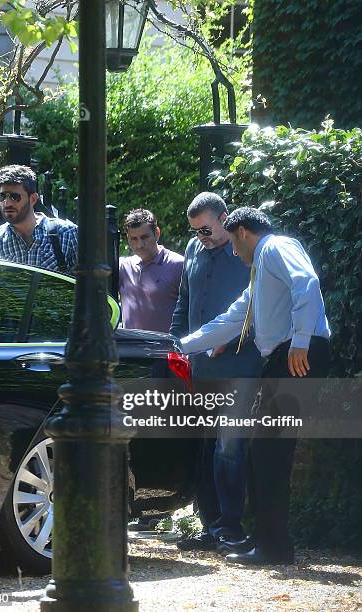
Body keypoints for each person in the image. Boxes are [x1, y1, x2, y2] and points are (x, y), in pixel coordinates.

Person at [180, 207, 331, 565]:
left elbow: (307, 282)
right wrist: (182, 345)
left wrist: (300, 341)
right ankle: (269, 543)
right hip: (285, 355)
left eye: (233, 242)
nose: (233, 251)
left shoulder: (276, 246)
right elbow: (233, 318)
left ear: (243, 232)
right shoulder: (260, 269)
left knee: (269, 454)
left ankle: (274, 548)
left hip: (296, 354)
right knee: (262, 454)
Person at [170, 193, 262, 552]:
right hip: (200, 366)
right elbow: (184, 301)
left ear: (225, 219)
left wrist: (232, 337)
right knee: (207, 444)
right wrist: (175, 344)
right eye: (194, 231)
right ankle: (211, 525)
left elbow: (263, 307)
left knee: (230, 445)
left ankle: (232, 526)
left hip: (238, 364)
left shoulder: (248, 254)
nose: (201, 237)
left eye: (206, 229)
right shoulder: (195, 250)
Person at [0, 165, 77, 274]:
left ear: (33, 199)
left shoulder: (67, 234)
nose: (7, 203)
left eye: (15, 197)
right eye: (2, 196)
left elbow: (89, 283)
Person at [119, 208, 183, 332]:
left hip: (165, 348)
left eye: (144, 237)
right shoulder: (123, 267)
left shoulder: (178, 265)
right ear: (128, 238)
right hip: (131, 348)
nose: (140, 245)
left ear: (157, 233)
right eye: (134, 238)